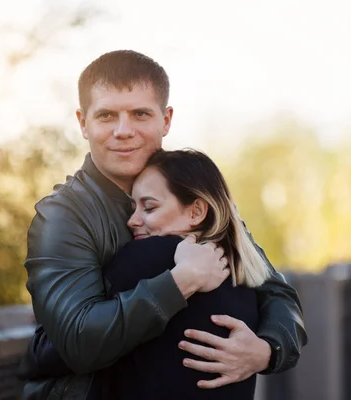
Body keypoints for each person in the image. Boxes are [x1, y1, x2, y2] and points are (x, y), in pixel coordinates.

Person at [21, 50, 307, 399]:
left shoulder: (192, 190)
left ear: (166, 120)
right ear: (83, 123)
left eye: (140, 114)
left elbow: (276, 292)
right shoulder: (63, 218)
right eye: (107, 116)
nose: (123, 131)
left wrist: (267, 349)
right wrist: (181, 282)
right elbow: (79, 342)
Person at [21, 148, 276, 399]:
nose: (132, 220)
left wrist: (33, 354)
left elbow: (59, 349)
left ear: (196, 211)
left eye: (149, 208)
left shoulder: (147, 258)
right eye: (133, 207)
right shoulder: (244, 272)